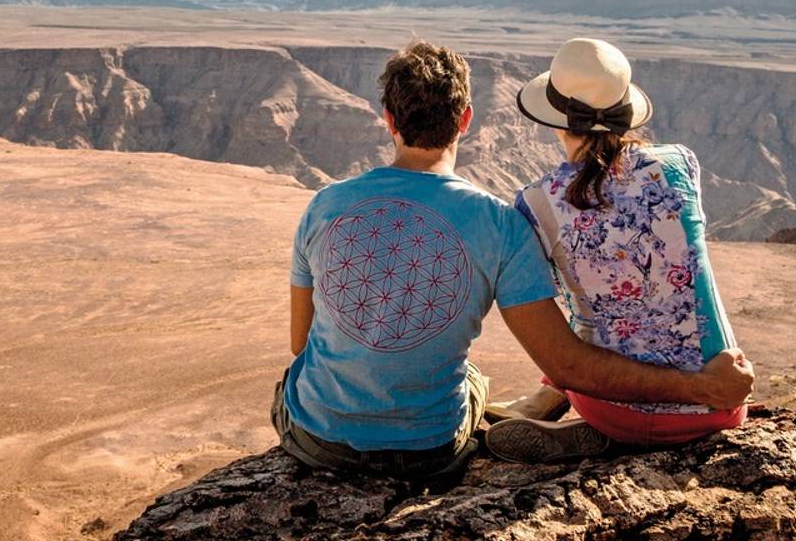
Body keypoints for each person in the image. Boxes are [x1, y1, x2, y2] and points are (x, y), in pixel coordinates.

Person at [271, 40, 754, 479]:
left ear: (388, 119)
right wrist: (707, 387)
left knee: (305, 378)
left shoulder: (325, 205)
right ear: (465, 120)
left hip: (322, 444)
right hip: (433, 448)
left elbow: (300, 343)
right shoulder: (510, 220)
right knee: (487, 372)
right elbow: (566, 358)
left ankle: (554, 409)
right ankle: (540, 404)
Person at [485, 37, 747, 464]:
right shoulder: (680, 163)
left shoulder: (536, 203)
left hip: (612, 406)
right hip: (721, 402)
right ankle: (568, 409)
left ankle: (589, 422)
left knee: (588, 312)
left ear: (556, 122)